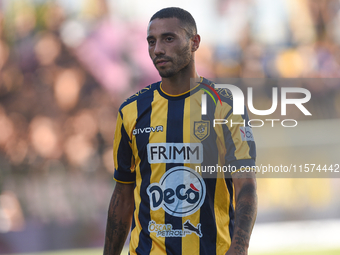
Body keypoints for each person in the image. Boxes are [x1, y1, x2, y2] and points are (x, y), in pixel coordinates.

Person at [104, 7, 257, 255]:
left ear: (194, 42)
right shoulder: (131, 111)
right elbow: (123, 193)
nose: (158, 49)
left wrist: (239, 248)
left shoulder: (225, 106)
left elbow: (246, 185)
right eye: (151, 41)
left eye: (168, 38)